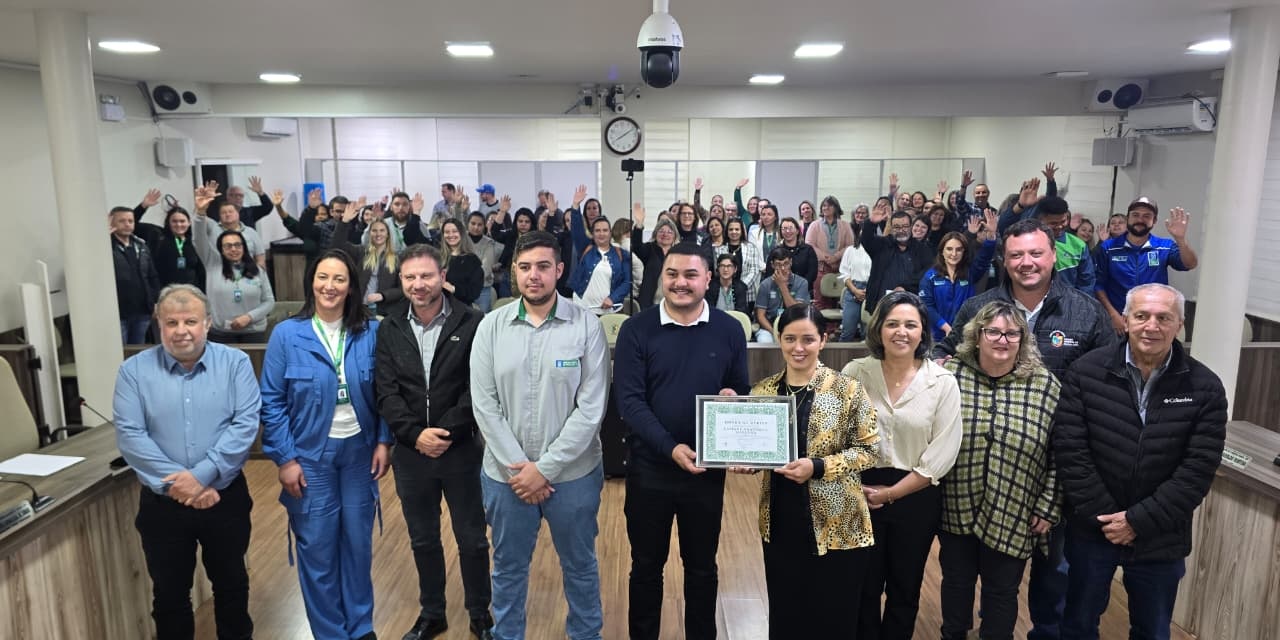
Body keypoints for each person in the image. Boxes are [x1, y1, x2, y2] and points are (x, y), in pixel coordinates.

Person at [933, 218, 1116, 640]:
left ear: (1054, 256)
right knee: (969, 577)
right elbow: (944, 355)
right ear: (1004, 258)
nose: (1026, 262)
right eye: (1016, 255)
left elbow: (1108, 383)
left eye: (1036, 253)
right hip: (974, 472)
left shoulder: (1085, 312)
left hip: (1055, 466)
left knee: (1052, 575)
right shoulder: (977, 307)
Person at [1054, 284, 1226, 640]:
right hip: (1093, 529)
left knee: (1152, 629)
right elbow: (1071, 452)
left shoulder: (1205, 387)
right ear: (1126, 320)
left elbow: (1197, 470)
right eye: (1142, 316)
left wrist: (1137, 521)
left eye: (1164, 318)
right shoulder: (1086, 372)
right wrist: (1109, 519)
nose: (1152, 326)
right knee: (1077, 625)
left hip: (1161, 534)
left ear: (1179, 324)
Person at [470, 231, 610, 640]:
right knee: (508, 568)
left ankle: (586, 635)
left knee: (579, 565)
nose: (534, 276)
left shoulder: (586, 326)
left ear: (559, 271)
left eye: (544, 267)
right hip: (506, 477)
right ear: (514, 271)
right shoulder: (491, 327)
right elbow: (485, 405)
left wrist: (544, 469)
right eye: (526, 267)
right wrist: (521, 470)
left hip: (574, 477)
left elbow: (591, 409)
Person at [614, 243, 750, 640]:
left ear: (709, 279)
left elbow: (738, 386)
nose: (680, 283)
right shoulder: (636, 329)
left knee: (702, 568)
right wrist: (670, 448)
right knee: (645, 567)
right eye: (672, 274)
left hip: (706, 473)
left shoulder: (729, 329)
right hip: (649, 470)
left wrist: (733, 399)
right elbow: (630, 403)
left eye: (691, 275)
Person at [259, 249, 392, 640]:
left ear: (351, 286)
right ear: (311, 283)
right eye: (322, 278)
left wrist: (385, 439)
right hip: (309, 456)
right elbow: (272, 400)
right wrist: (285, 458)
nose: (329, 286)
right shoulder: (287, 334)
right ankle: (331, 632)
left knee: (356, 543)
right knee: (317, 548)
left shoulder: (372, 330)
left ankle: (361, 625)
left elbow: (387, 392)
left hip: (360, 452)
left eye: (339, 279)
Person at [112, 284, 258, 639]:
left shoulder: (235, 363)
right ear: (157, 324)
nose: (181, 331)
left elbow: (245, 424)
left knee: (232, 587)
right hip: (163, 504)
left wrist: (202, 477)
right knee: (169, 596)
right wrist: (180, 483)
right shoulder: (133, 372)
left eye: (190, 321)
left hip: (224, 499)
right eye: (171, 322)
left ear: (207, 323)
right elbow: (131, 435)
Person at [375, 243, 494, 640]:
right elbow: (386, 392)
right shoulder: (389, 327)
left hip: (460, 450)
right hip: (411, 454)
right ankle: (433, 612)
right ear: (401, 281)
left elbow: (477, 388)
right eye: (410, 277)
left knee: (473, 540)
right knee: (423, 539)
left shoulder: (472, 321)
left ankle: (480, 612)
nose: (419, 284)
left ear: (443, 276)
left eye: (426, 276)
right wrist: (414, 435)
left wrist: (447, 433)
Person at [746, 304, 880, 638]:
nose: (798, 347)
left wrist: (818, 467)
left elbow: (870, 450)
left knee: (834, 620)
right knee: (786, 615)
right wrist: (745, 462)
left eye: (808, 339)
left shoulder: (847, 389)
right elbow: (753, 448)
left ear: (823, 339)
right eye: (790, 339)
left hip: (839, 526)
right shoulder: (762, 391)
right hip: (779, 521)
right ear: (779, 340)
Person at [841, 291, 962, 639]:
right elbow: (835, 433)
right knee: (862, 587)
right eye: (892, 323)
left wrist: (891, 493)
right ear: (878, 329)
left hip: (915, 497)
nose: (901, 332)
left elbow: (942, 453)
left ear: (923, 332)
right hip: (859, 491)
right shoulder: (855, 372)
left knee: (904, 590)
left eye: (910, 325)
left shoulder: (942, 382)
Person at [939, 301, 1061, 640]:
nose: (1002, 339)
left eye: (1012, 333)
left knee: (1002, 592)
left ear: (1023, 339)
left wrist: (1049, 504)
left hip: (1015, 506)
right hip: (956, 502)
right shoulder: (950, 375)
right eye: (993, 331)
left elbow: (1061, 451)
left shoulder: (1044, 384)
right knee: (956, 584)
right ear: (977, 336)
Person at [1095, 198, 1200, 334]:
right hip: (1118, 321)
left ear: (1154, 221)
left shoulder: (1164, 246)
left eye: (1147, 216)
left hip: (1152, 323)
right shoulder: (1108, 248)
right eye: (1135, 215)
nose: (1140, 219)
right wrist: (1113, 315)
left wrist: (1180, 239)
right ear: (1128, 218)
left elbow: (1190, 264)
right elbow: (1098, 285)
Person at [919, 218, 998, 342]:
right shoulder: (930, 277)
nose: (954, 254)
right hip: (937, 337)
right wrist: (945, 328)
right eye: (949, 249)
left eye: (959, 249)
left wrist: (991, 236)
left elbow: (984, 258)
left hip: (965, 336)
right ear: (942, 252)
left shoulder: (969, 273)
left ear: (964, 252)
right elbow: (926, 306)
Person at [331, 197, 406, 316]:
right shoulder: (361, 252)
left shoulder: (397, 258)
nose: (378, 234)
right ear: (369, 233)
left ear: (387, 234)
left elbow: (402, 289)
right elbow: (337, 246)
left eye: (382, 231)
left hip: (385, 311)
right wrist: (344, 222)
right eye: (374, 231)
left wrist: (383, 296)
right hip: (359, 308)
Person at [861, 208, 935, 317]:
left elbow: (926, 272)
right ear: (891, 228)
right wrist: (870, 223)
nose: (901, 230)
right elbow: (866, 240)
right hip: (881, 305)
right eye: (897, 227)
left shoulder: (922, 249)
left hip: (912, 305)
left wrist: (905, 287)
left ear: (911, 227)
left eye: (905, 226)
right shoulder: (881, 245)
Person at [132, 189, 206, 291]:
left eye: (182, 221)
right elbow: (132, 225)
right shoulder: (157, 235)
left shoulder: (194, 241)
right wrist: (143, 206)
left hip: (191, 295)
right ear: (168, 222)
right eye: (174, 221)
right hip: (165, 294)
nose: (179, 225)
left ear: (189, 223)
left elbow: (201, 273)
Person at [110, 205, 162, 344]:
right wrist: (104, 237)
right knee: (120, 352)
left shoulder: (141, 245)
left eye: (130, 221)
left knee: (138, 351)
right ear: (112, 223)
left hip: (143, 310)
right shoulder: (106, 246)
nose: (127, 224)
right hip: (118, 312)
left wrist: (156, 302)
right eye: (122, 221)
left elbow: (152, 276)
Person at [195, 182, 267, 271]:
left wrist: (258, 277)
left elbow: (260, 260)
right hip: (220, 277)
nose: (227, 214)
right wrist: (201, 208)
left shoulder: (251, 232)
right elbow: (199, 221)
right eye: (223, 212)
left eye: (230, 212)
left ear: (238, 213)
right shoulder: (212, 228)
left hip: (248, 278)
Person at [1035, 196, 1097, 295]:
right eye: (1053, 223)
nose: (1060, 226)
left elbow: (1087, 282)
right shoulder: (1030, 242)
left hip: (1068, 303)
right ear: (1041, 220)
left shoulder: (1078, 245)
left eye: (1063, 221)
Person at [569, 216, 632, 315]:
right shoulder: (586, 249)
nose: (601, 234)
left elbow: (627, 282)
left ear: (610, 233)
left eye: (605, 230)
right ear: (592, 234)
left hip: (608, 311)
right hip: (582, 309)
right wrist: (575, 206)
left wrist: (613, 298)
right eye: (597, 230)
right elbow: (577, 230)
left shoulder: (622, 254)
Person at [804, 196, 855, 311]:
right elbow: (809, 245)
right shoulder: (814, 225)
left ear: (836, 208)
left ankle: (835, 328)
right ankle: (821, 327)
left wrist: (836, 257)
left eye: (829, 205)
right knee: (820, 301)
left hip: (840, 269)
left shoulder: (845, 225)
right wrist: (826, 258)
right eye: (824, 205)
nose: (826, 208)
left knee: (838, 302)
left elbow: (850, 245)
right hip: (821, 268)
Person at [755, 246, 812, 343]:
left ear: (791, 262)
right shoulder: (765, 284)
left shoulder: (802, 283)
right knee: (765, 342)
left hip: (795, 326)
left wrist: (782, 285)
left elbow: (797, 311)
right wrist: (774, 332)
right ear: (772, 265)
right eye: (778, 264)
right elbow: (760, 316)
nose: (783, 268)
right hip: (770, 327)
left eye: (786, 264)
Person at [630, 205, 679, 310]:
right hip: (649, 302)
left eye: (669, 232)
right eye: (661, 231)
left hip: (673, 300)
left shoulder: (678, 253)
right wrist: (639, 224)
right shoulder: (650, 249)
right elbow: (636, 246)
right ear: (655, 234)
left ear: (675, 236)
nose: (665, 234)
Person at [766, 217, 818, 297]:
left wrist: (800, 286)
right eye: (784, 228)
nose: (787, 231)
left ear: (797, 230)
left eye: (790, 228)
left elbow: (812, 273)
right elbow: (769, 273)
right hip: (780, 291)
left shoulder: (808, 249)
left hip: (804, 290)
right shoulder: (775, 251)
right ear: (780, 232)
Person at [837, 223, 872, 341]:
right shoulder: (850, 250)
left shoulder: (879, 251)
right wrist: (855, 290)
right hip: (853, 290)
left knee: (868, 334)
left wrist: (868, 291)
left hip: (871, 292)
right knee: (847, 332)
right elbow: (844, 273)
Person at [716, 217, 764, 305]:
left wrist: (742, 287)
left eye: (737, 229)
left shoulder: (751, 247)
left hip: (747, 292)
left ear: (742, 231)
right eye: (731, 229)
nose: (734, 232)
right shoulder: (719, 249)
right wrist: (731, 287)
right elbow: (719, 270)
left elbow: (754, 270)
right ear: (727, 231)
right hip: (726, 291)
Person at [438, 218, 484, 307]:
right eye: (447, 232)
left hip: (461, 309)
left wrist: (453, 289)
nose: (450, 235)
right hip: (438, 308)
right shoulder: (437, 257)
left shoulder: (472, 260)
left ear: (462, 233)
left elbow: (474, 292)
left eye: (454, 231)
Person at [468, 211, 504, 312]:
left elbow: (486, 267)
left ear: (484, 226)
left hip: (482, 289)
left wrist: (469, 279)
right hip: (462, 289)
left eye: (479, 224)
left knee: (483, 319)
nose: (476, 227)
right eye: (473, 223)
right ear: (468, 224)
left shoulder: (489, 243)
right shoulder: (462, 240)